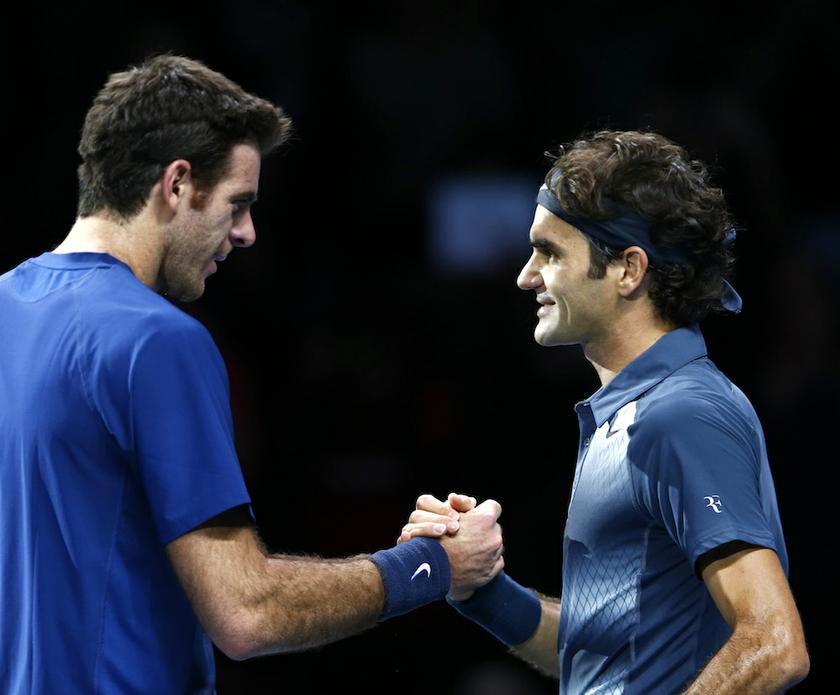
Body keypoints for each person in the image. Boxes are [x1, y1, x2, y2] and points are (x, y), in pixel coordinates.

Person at [0, 54, 504, 694]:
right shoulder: (157, 340)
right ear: (177, 184)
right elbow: (246, 613)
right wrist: (432, 564)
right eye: (238, 204)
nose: (247, 233)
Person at [400, 131, 810, 693]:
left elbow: (773, 643)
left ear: (628, 269)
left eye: (550, 252)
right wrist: (484, 591)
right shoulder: (638, 413)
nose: (526, 275)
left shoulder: (681, 414)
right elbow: (610, 660)